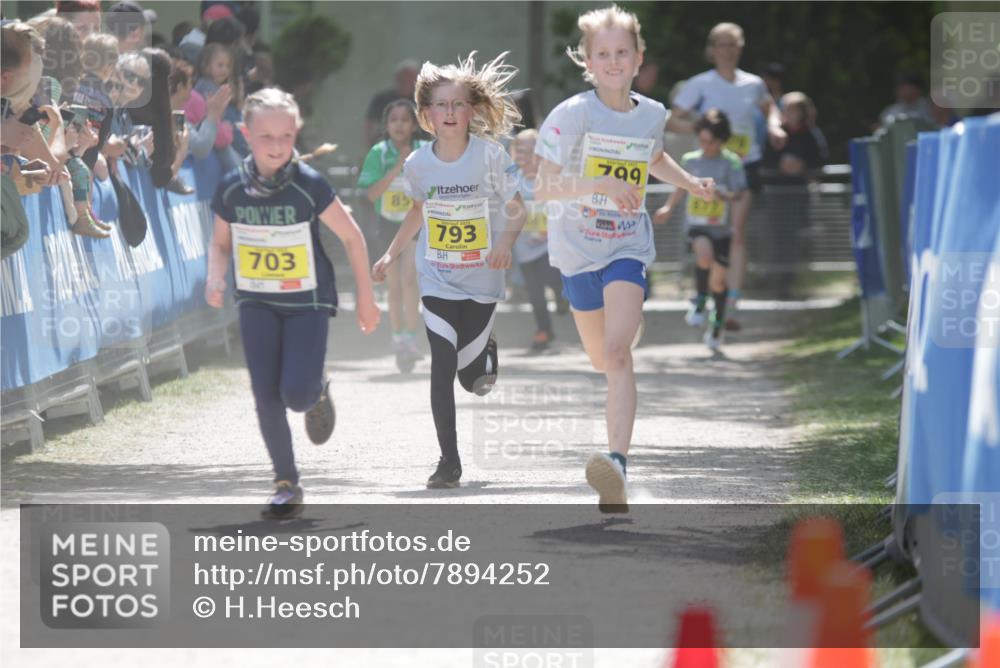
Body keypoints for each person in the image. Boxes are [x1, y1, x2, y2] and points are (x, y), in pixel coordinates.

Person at [534, 5, 715, 512]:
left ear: (638, 58)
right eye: (603, 54)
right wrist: (601, 183)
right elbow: (545, 187)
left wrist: (691, 181)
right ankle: (619, 332)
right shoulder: (572, 114)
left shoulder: (653, 114)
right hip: (576, 252)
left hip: (626, 248)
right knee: (601, 357)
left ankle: (616, 466)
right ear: (588, 62)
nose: (613, 61)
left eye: (622, 52)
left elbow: (653, 158)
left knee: (617, 354)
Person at [206, 88, 380, 519]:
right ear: (246, 134)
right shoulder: (231, 189)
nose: (277, 145)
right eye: (266, 136)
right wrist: (215, 276)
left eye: (285, 135)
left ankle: (317, 390)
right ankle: (286, 482)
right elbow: (221, 243)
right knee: (265, 392)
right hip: (256, 302)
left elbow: (353, 238)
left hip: (307, 303)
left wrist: (366, 298)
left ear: (296, 132)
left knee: (297, 394)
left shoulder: (309, 185)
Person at [371, 52, 527, 489]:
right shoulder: (418, 165)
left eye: (459, 104)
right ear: (427, 115)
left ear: (472, 110)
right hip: (437, 276)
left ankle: (485, 351)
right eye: (441, 105)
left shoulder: (491, 157)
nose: (451, 112)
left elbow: (518, 211)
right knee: (441, 363)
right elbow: (418, 213)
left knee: (471, 379)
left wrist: (503, 244)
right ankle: (449, 462)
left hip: (482, 279)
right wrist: (389, 255)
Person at [668, 22, 786, 332]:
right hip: (709, 169)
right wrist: (700, 131)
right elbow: (672, 117)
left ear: (740, 47)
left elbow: (769, 107)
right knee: (706, 233)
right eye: (720, 43)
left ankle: (731, 302)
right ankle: (704, 292)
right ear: (711, 49)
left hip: (744, 164)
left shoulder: (753, 83)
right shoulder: (699, 84)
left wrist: (774, 126)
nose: (726, 49)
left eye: (732, 43)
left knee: (737, 232)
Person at [653, 109, 747, 351]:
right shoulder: (690, 160)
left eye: (711, 142)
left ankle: (716, 327)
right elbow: (680, 187)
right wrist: (668, 207)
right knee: (703, 256)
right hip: (697, 226)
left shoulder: (731, 162)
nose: (705, 146)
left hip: (721, 230)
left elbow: (739, 193)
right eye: (702, 140)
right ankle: (699, 299)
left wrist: (721, 194)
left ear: (721, 140)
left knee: (719, 282)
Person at [358, 99, 428, 371]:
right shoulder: (378, 152)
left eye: (405, 120)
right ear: (386, 126)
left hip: (417, 222)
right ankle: (398, 337)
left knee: (411, 279)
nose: (399, 124)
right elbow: (371, 194)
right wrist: (397, 167)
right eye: (394, 120)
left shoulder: (425, 151)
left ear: (414, 125)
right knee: (394, 284)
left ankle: (411, 338)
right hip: (387, 223)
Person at [510, 128, 566, 351]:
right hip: (524, 245)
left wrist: (549, 230)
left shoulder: (549, 174)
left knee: (551, 275)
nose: (525, 154)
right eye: (520, 150)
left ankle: (563, 296)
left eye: (531, 149)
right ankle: (544, 331)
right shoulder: (511, 176)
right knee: (533, 291)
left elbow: (564, 205)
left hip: (548, 243)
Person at [195, 42, 239, 172]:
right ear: (206, 65)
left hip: (215, 133)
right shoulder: (207, 87)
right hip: (211, 136)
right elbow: (210, 117)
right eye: (220, 65)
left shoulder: (212, 86)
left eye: (228, 66)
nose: (225, 69)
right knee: (236, 168)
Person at [364, 59, 419, 147]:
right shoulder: (381, 99)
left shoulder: (422, 101)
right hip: (385, 145)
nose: (408, 81)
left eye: (412, 78)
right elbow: (369, 124)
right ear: (397, 78)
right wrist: (370, 146)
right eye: (405, 78)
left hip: (416, 147)